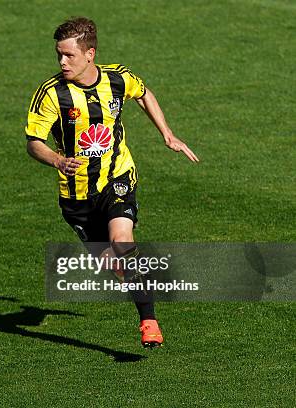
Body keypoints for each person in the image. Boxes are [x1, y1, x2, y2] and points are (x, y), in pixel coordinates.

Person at [25, 17, 199, 348]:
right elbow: (33, 142)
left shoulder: (117, 78)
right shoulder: (52, 94)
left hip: (116, 177)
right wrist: (58, 160)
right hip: (76, 197)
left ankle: (149, 321)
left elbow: (144, 93)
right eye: (59, 55)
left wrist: (167, 134)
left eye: (69, 56)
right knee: (115, 266)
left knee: (122, 243)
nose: (62, 62)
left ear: (90, 53)